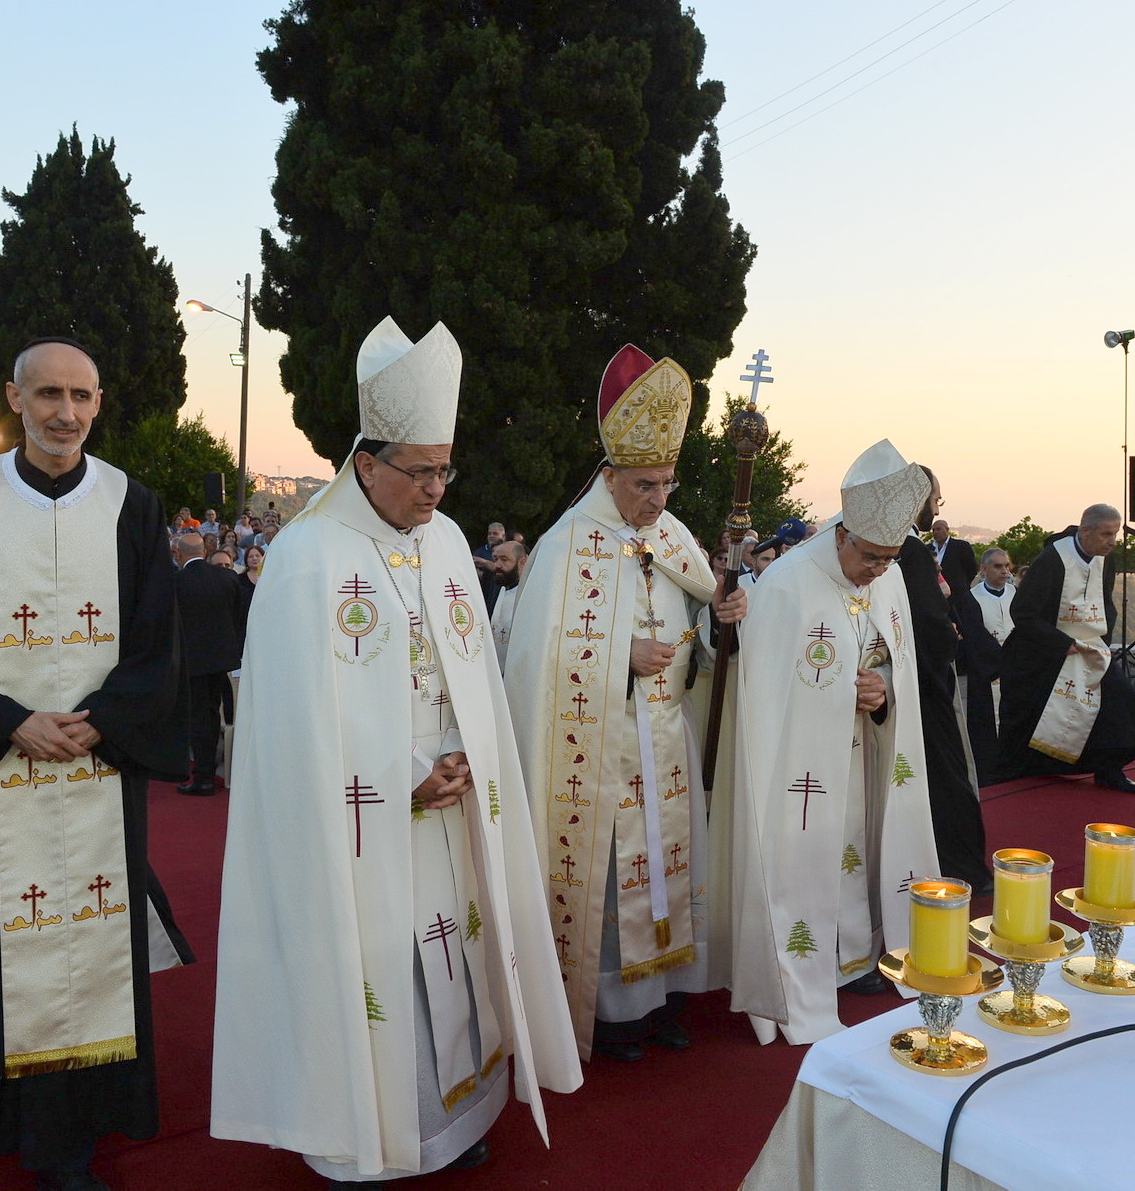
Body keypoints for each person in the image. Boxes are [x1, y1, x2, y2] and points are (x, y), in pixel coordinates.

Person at [212, 317, 579, 1183]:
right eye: (421, 472)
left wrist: (462, 756)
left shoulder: (448, 544)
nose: (438, 490)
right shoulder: (306, 558)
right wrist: (401, 775)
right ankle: (367, 1137)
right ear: (366, 464)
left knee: (458, 946)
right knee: (383, 969)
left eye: (446, 469)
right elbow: (293, 733)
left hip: (452, 805)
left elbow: (473, 675)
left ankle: (452, 1121)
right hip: (366, 818)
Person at [0, 337, 193, 1190]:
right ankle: (26, 1127)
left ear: (99, 405)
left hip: (100, 772)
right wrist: (9, 722)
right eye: (49, 395)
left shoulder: (134, 507)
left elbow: (155, 644)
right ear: (13, 399)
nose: (67, 413)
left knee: (99, 947)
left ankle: (96, 1122)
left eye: (83, 397)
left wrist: (101, 724)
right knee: (6, 949)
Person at [504, 343, 747, 1063]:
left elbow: (698, 617)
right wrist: (618, 658)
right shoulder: (566, 544)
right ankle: (612, 1014)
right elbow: (534, 660)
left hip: (667, 742)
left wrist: (716, 625)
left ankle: (665, 996)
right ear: (609, 476)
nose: (659, 499)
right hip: (604, 751)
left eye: (668, 483)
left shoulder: (669, 536)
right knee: (612, 882)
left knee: (672, 867)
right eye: (645, 484)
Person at [719, 439, 939, 1045]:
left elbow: (901, 667)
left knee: (861, 847)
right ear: (842, 534)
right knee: (808, 852)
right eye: (870, 556)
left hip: (865, 755)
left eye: (889, 560)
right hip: (802, 766)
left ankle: (860, 953)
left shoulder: (887, 579)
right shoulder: (788, 583)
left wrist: (882, 692)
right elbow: (762, 697)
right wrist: (839, 694)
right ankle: (800, 972)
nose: (876, 571)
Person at [996, 504, 1135, 793]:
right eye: (1106, 534)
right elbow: (1023, 611)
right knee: (1032, 713)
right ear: (1085, 530)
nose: (1112, 541)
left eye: (1115, 533)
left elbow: (1106, 605)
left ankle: (1109, 767)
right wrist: (1061, 643)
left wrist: (1100, 645)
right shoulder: (1053, 560)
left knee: (1117, 699)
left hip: (1088, 647)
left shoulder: (1107, 560)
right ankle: (1022, 773)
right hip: (1042, 650)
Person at [895, 469, 989, 890]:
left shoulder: (896, 546)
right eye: (936, 499)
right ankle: (963, 866)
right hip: (928, 684)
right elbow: (929, 623)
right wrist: (950, 645)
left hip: (904, 678)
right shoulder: (911, 550)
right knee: (949, 773)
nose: (936, 508)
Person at [173, 532, 242, 797]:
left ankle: (203, 777)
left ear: (178, 554)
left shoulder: (176, 582)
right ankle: (205, 773)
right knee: (212, 716)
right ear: (205, 551)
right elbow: (237, 617)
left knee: (199, 719)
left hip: (191, 663)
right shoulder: (227, 578)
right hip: (221, 661)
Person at [967, 547, 1015, 785]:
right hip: (986, 672)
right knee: (985, 721)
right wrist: (997, 660)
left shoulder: (1015, 594)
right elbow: (974, 636)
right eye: (997, 566)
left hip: (1015, 671)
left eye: (1006, 565)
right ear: (984, 569)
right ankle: (987, 770)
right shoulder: (972, 598)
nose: (1004, 571)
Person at [487, 539, 527, 668]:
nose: (497, 565)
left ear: (522, 563)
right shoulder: (502, 587)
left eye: (504, 560)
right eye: (496, 559)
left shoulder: (529, 594)